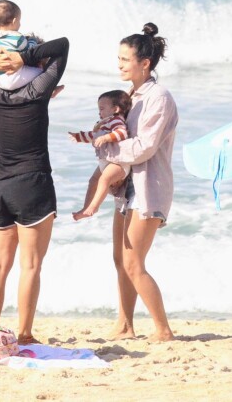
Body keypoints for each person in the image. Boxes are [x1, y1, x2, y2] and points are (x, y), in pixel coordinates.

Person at [0, 23, 69, 345]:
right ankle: (25, 334)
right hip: (32, 183)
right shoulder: (38, 88)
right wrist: (28, 58)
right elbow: (62, 46)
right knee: (30, 265)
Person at [97, 22, 178, 343]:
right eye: (118, 59)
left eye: (125, 59)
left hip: (149, 188)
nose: (119, 65)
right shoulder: (129, 96)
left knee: (133, 262)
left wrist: (108, 146)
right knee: (120, 259)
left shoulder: (159, 98)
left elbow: (145, 146)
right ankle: (126, 324)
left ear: (145, 63)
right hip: (126, 190)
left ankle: (163, 329)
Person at [69, 90, 132, 221]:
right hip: (106, 161)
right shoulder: (105, 123)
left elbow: (122, 133)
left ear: (115, 109)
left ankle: (94, 207)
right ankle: (86, 208)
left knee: (104, 180)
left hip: (118, 163)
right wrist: (78, 136)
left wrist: (106, 138)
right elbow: (93, 136)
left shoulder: (116, 120)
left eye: (102, 108)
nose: (99, 112)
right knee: (93, 181)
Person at [0, 0, 44, 91]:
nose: (20, 24)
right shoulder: (17, 38)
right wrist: (32, 40)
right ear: (14, 21)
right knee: (41, 71)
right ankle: (51, 90)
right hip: (12, 79)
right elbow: (29, 50)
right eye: (19, 20)